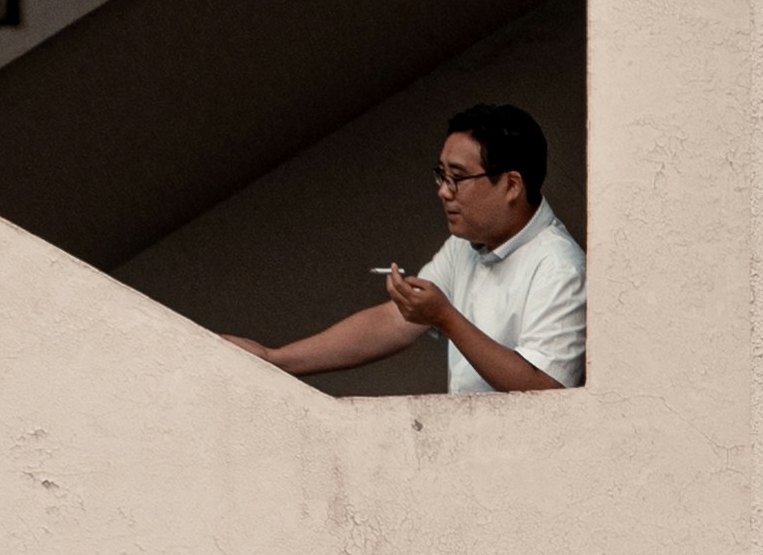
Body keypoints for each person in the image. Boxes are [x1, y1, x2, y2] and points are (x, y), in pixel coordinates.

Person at [234, 103, 585, 393]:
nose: (444, 192)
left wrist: (446, 318)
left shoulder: (558, 265)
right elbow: (395, 321)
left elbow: (546, 389)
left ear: (511, 185)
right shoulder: (464, 245)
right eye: (441, 175)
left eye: (457, 178)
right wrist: (275, 359)